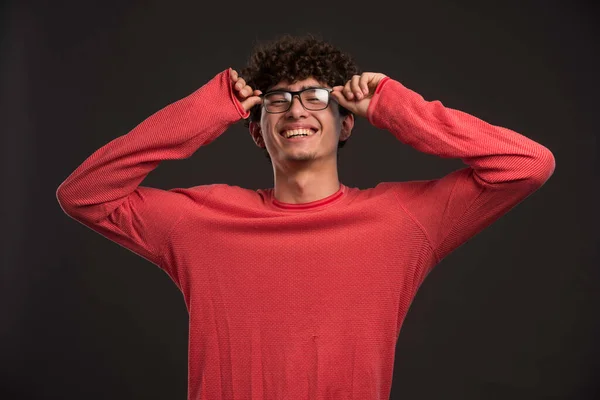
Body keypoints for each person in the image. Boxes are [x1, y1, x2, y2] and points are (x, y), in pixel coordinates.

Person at [56, 33, 555, 400]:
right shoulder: (201, 220)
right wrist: (206, 109)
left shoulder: (401, 220)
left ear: (346, 126)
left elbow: (527, 165)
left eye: (315, 98)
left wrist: (395, 105)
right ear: (256, 130)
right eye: (278, 100)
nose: (296, 111)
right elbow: (85, 194)